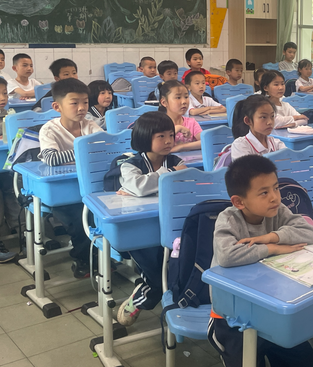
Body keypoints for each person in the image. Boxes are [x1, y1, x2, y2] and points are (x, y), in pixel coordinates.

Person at [208, 156, 313, 367]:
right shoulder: (229, 219)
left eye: (276, 188)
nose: (274, 197)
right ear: (239, 201)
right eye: (264, 192)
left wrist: (270, 237)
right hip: (232, 318)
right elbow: (227, 255)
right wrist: (273, 249)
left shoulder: (277, 212)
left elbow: (308, 232)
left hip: (270, 313)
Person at [116, 111, 187, 326]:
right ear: (145, 138)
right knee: (158, 274)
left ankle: (145, 293)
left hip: (170, 224)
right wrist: (169, 173)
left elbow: (181, 187)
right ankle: (142, 298)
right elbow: (139, 186)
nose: (168, 141)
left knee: (174, 269)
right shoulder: (130, 164)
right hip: (138, 226)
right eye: (161, 136)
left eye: (171, 135)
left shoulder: (177, 160)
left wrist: (145, 186)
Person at [39, 78, 104, 277]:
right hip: (63, 193)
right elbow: (51, 159)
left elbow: (105, 148)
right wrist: (85, 149)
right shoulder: (49, 130)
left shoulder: (90, 126)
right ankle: (83, 259)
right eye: (74, 103)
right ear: (57, 106)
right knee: (79, 220)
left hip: (91, 189)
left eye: (85, 102)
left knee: (99, 215)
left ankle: (101, 256)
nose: (81, 108)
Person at [230, 95, 286, 160]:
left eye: (272, 116)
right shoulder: (240, 145)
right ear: (248, 121)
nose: (270, 122)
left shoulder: (277, 144)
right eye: (263, 117)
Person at [0, 77, 19, 264]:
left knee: (12, 192)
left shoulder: (9, 115)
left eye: (5, 93)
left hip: (6, 165)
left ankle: (22, 233)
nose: (2, 98)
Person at [157, 80, 201, 152]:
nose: (184, 101)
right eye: (178, 97)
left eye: (186, 97)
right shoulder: (159, 124)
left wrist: (181, 147)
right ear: (164, 102)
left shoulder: (191, 122)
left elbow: (205, 141)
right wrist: (177, 129)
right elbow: (159, 146)